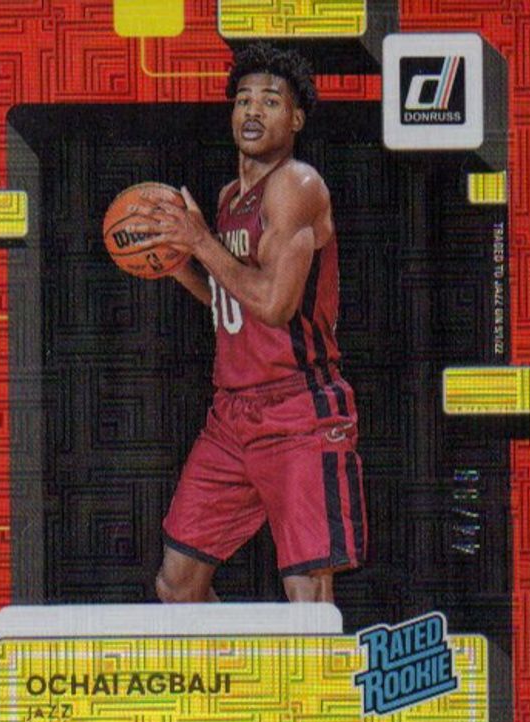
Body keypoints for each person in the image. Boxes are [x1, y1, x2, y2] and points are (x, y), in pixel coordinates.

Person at [137, 43, 367, 603]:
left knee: (308, 595)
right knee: (177, 585)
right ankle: (237, 665)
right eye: (243, 100)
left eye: (270, 100)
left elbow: (274, 305)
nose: (253, 111)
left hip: (299, 410)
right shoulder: (228, 197)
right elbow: (231, 300)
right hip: (232, 415)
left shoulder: (298, 185)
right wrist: (177, 263)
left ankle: (311, 670)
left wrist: (199, 242)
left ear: (296, 119)